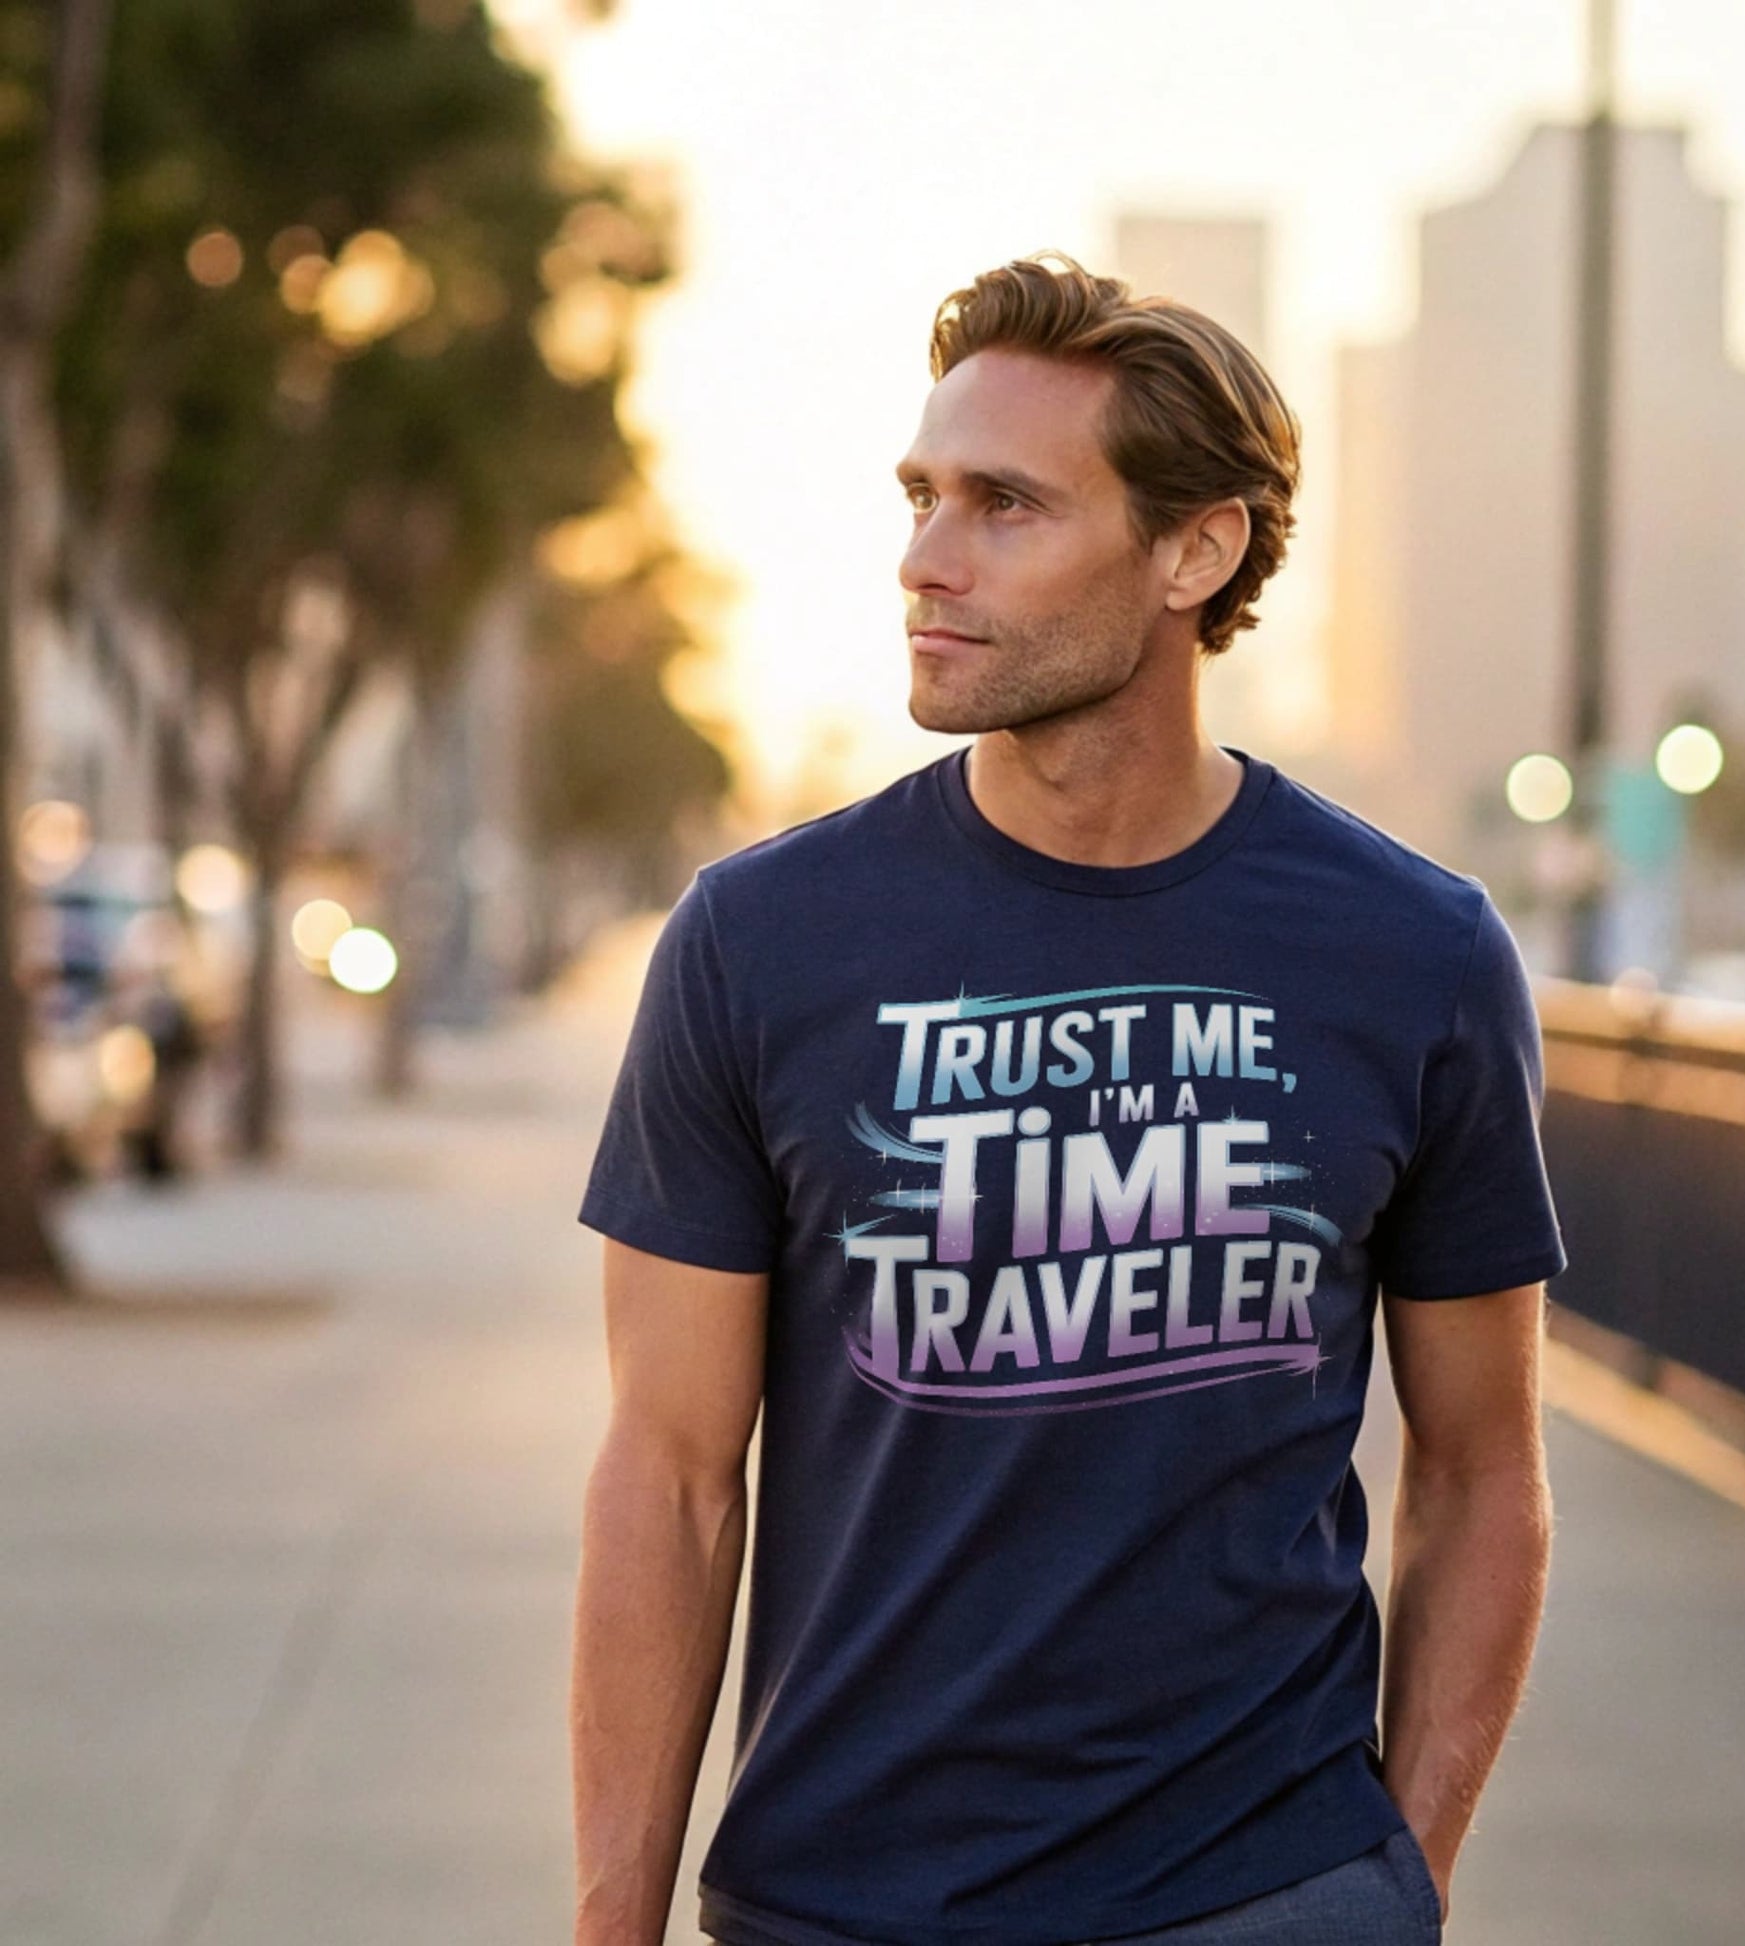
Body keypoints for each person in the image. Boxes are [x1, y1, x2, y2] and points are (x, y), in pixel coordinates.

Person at [572, 252, 1567, 1946]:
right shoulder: (762, 939)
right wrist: (613, 1922)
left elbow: (1482, 1471)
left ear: (1195, 549)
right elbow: (671, 1474)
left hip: (1263, 1889)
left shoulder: (1414, 953)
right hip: (843, 1895)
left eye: (1004, 506)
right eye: (921, 497)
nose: (924, 558)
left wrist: (1399, 1878)